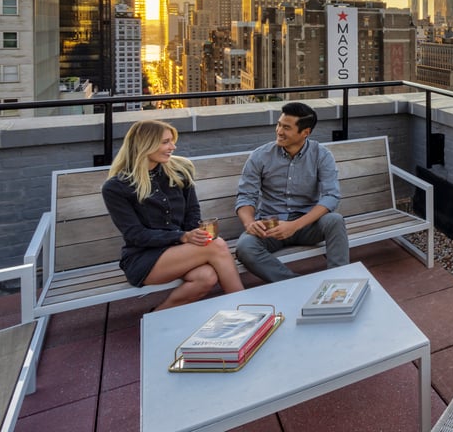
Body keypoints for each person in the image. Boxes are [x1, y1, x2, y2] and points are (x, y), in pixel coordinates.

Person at [102, 120, 244, 310]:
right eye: (165, 142)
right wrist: (183, 236)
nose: (172, 147)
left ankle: (155, 317)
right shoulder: (116, 187)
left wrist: (194, 234)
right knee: (216, 245)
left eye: (172, 141)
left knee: (206, 277)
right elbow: (135, 234)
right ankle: (245, 308)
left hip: (180, 250)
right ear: (146, 144)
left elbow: (193, 215)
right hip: (144, 258)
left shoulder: (179, 172)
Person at [234, 102, 349, 282]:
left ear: (305, 132)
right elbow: (246, 196)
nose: (279, 131)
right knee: (245, 247)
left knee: (335, 220)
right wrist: (249, 223)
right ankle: (295, 283)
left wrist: (295, 226)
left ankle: (339, 282)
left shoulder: (321, 155)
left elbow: (331, 197)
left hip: (307, 225)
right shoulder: (260, 156)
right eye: (279, 124)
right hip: (270, 226)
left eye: (286, 127)